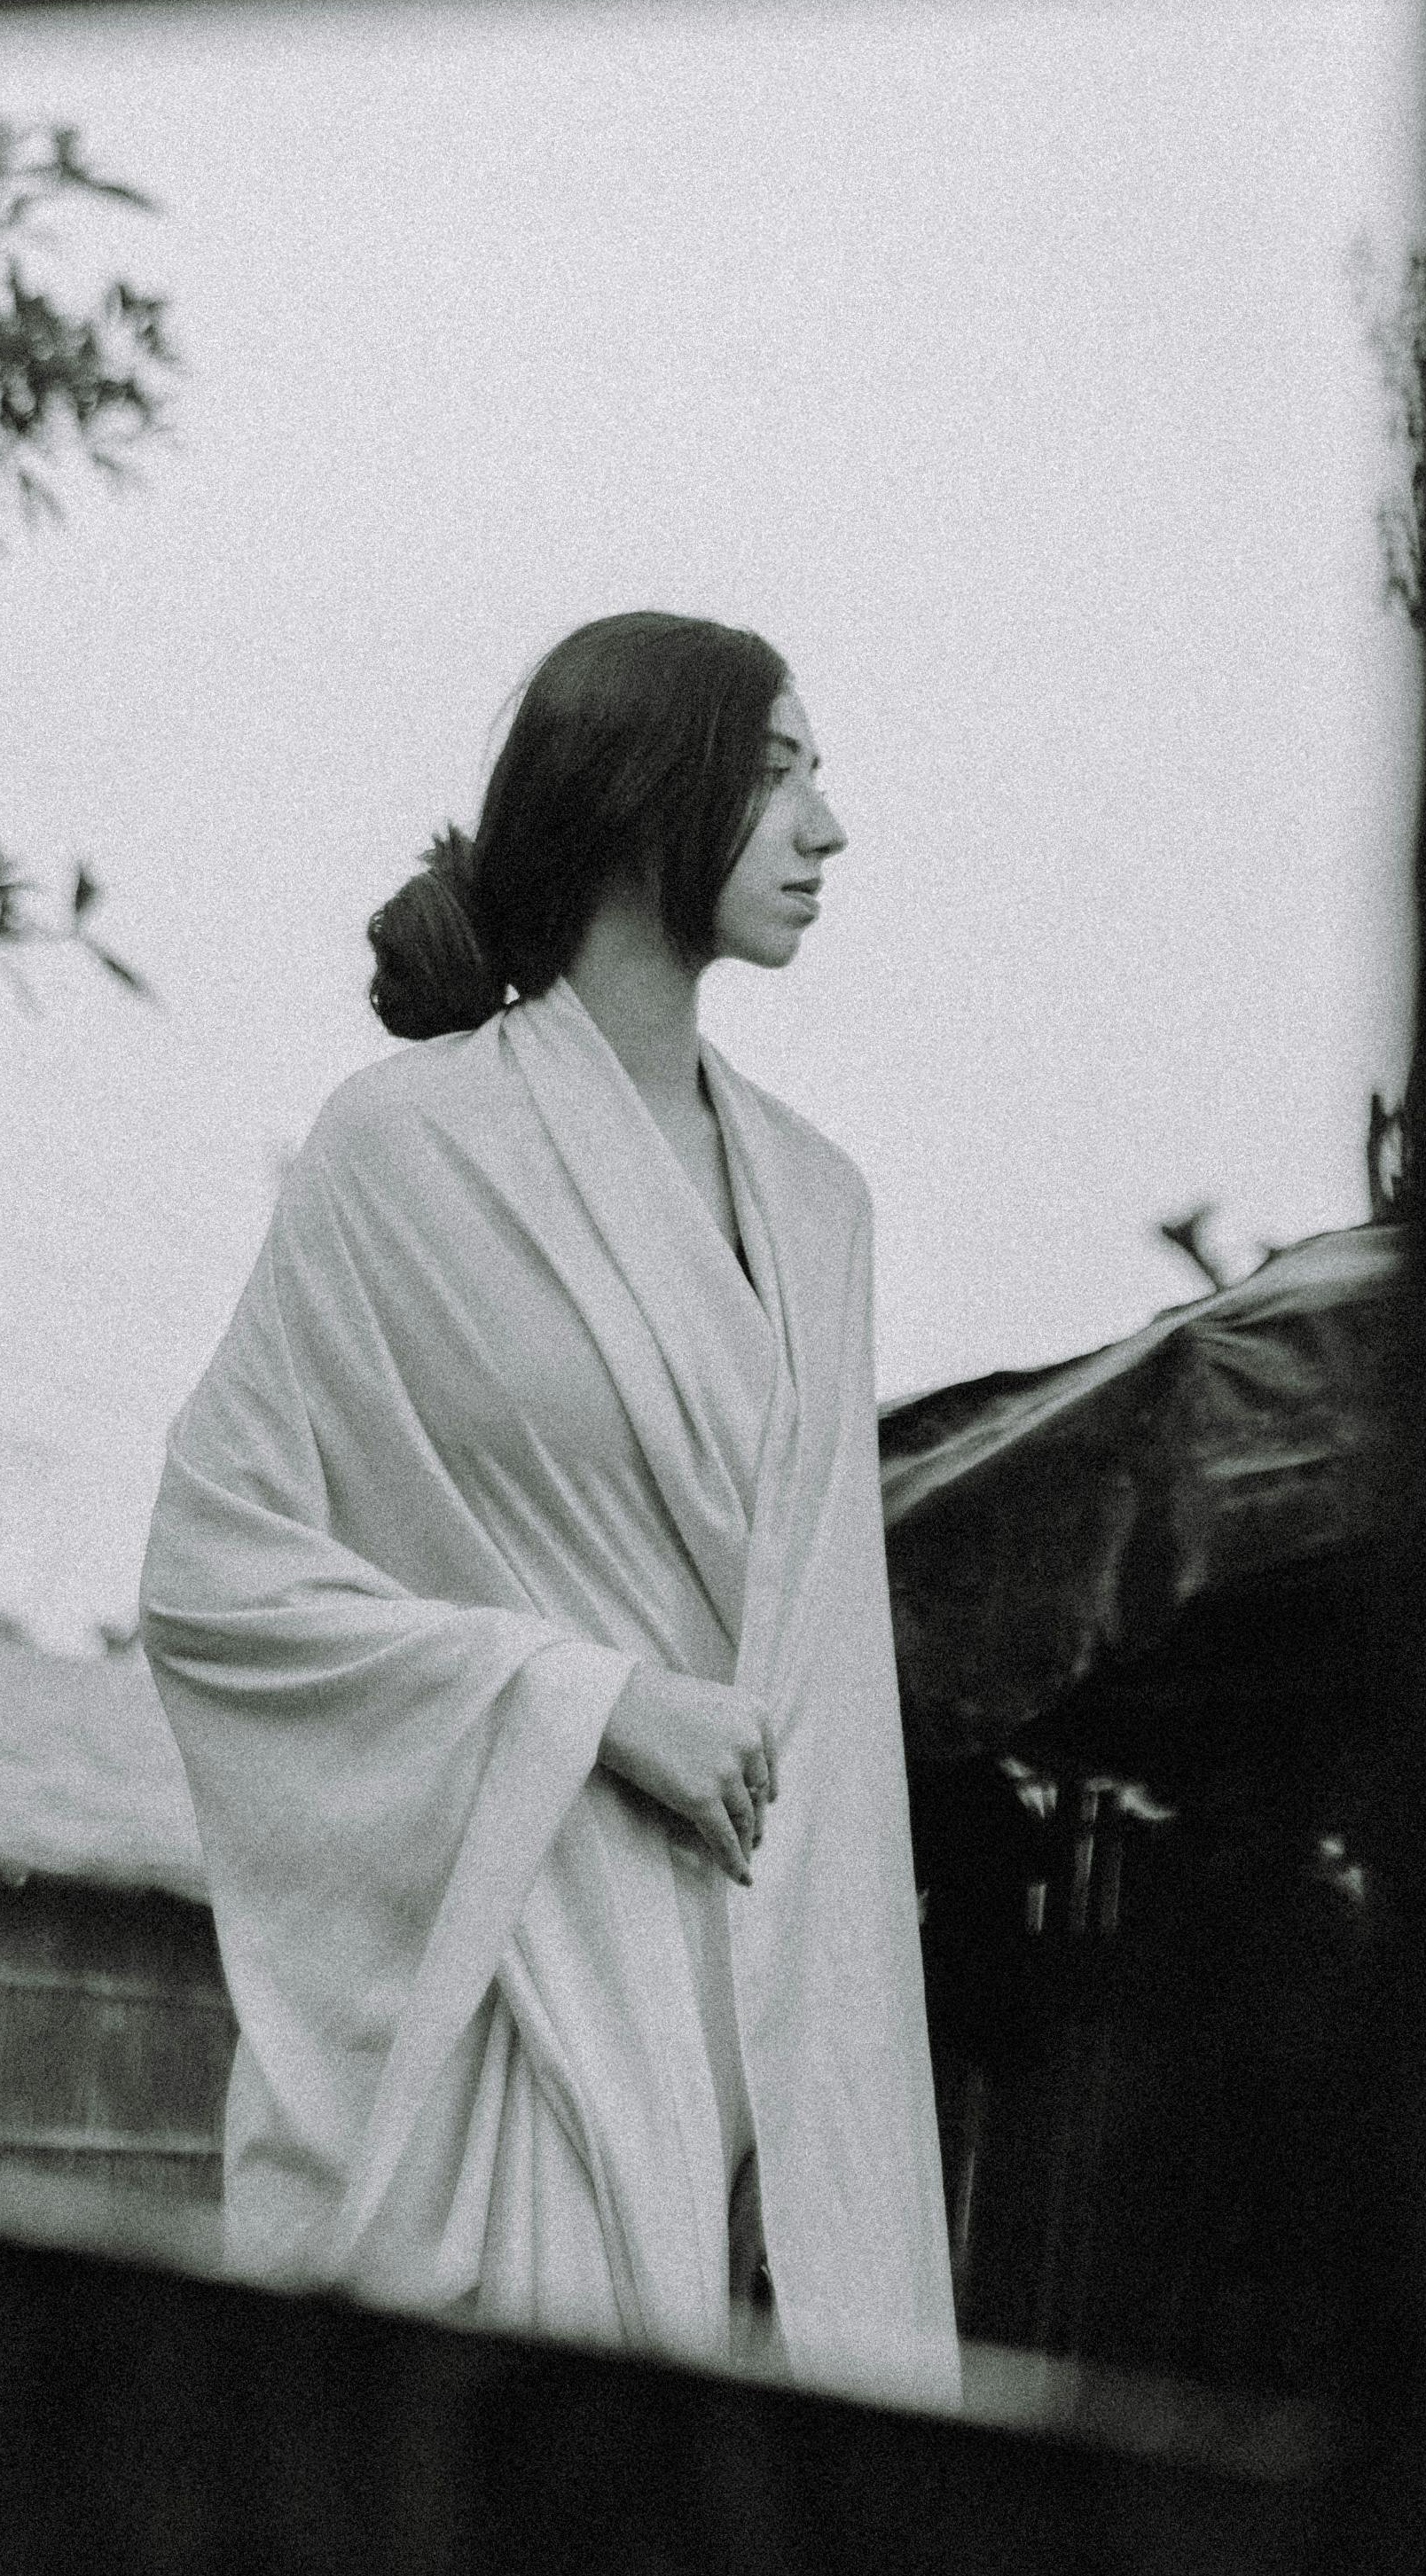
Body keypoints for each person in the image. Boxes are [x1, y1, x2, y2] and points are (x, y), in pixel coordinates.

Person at [136, 610, 959, 2401]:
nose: (828, 829)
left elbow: (827, 1709)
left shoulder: (821, 1213)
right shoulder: (402, 1151)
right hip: (500, 1970)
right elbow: (214, 1575)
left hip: (734, 2005)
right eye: (778, 773)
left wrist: (817, 2121)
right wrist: (582, 1701)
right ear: (637, 795)